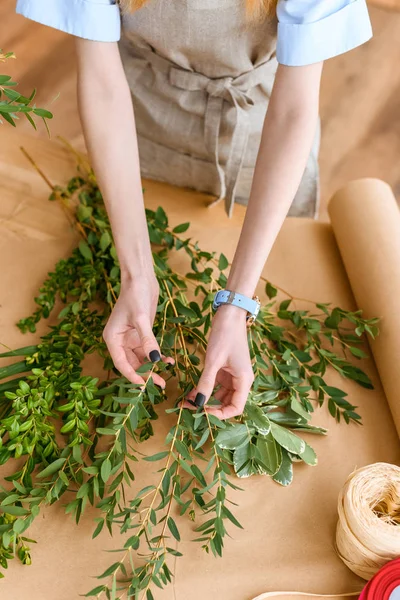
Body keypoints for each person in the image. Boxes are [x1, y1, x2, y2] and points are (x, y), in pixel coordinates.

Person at [17, 0, 372, 419]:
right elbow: (100, 81)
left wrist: (238, 303)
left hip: (262, 143)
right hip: (139, 125)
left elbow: (294, 110)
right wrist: (136, 275)